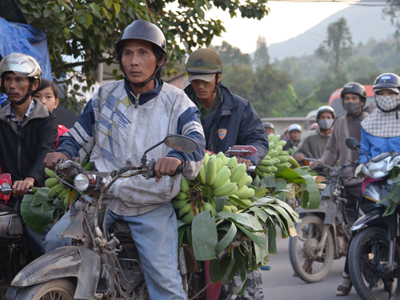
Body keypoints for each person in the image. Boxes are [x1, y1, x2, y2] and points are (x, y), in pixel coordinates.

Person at [43, 20, 205, 300]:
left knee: (165, 287)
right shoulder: (105, 96)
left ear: (160, 60)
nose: (134, 61)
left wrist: (176, 158)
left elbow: (196, 144)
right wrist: (64, 152)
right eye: (127, 53)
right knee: (54, 243)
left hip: (150, 205)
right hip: (101, 199)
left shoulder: (178, 103)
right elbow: (78, 136)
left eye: (143, 53)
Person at [184, 47, 268, 300]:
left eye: (205, 80)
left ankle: (249, 290)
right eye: (194, 79)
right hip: (188, 189)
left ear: (218, 78)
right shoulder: (179, 103)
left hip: (228, 188)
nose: (199, 86)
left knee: (242, 243)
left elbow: (258, 139)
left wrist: (248, 159)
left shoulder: (240, 107)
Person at [310, 82, 369, 297]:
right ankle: (355, 272)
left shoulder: (369, 122)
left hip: (366, 184)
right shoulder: (340, 123)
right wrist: (320, 163)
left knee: (361, 230)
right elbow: (331, 152)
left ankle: (347, 278)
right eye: (347, 98)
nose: (350, 102)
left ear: (362, 101)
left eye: (355, 99)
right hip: (345, 185)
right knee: (352, 229)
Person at [0, 53, 58, 257]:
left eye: (19, 79)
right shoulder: (1, 118)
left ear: (33, 85)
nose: (12, 85)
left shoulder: (46, 120)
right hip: (6, 192)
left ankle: (51, 280)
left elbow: (46, 151)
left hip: (37, 194)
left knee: (41, 242)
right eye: (8, 79)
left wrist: (31, 179)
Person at [359, 73, 400, 164]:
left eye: (390, 92)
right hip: (376, 175)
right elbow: (364, 152)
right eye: (381, 93)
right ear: (376, 96)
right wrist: (365, 166)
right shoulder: (368, 124)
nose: (385, 97)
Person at [32, 78, 69, 147]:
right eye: (37, 96)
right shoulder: (20, 130)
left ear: (56, 103)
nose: (42, 101)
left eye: (48, 97)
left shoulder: (64, 134)